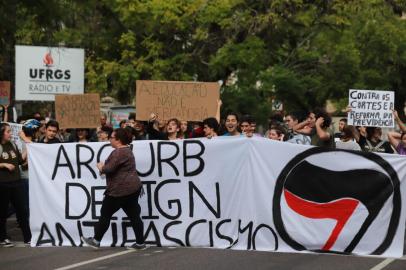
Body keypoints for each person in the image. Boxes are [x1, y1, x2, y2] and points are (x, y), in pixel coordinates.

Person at [81, 128, 145, 250]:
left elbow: (108, 169)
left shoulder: (119, 152)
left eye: (111, 137)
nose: (109, 139)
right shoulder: (127, 150)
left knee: (105, 214)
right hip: (132, 189)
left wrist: (100, 166)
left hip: (119, 191)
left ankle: (96, 240)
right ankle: (140, 243)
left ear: (118, 140)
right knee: (134, 216)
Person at [0, 123, 31, 247]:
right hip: (3, 184)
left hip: (16, 182)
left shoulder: (12, 144)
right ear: (1, 133)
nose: (10, 134)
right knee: (2, 212)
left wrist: (28, 150)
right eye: (8, 131)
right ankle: (3, 237)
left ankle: (28, 237)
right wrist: (3, 165)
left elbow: (20, 160)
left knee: (22, 210)